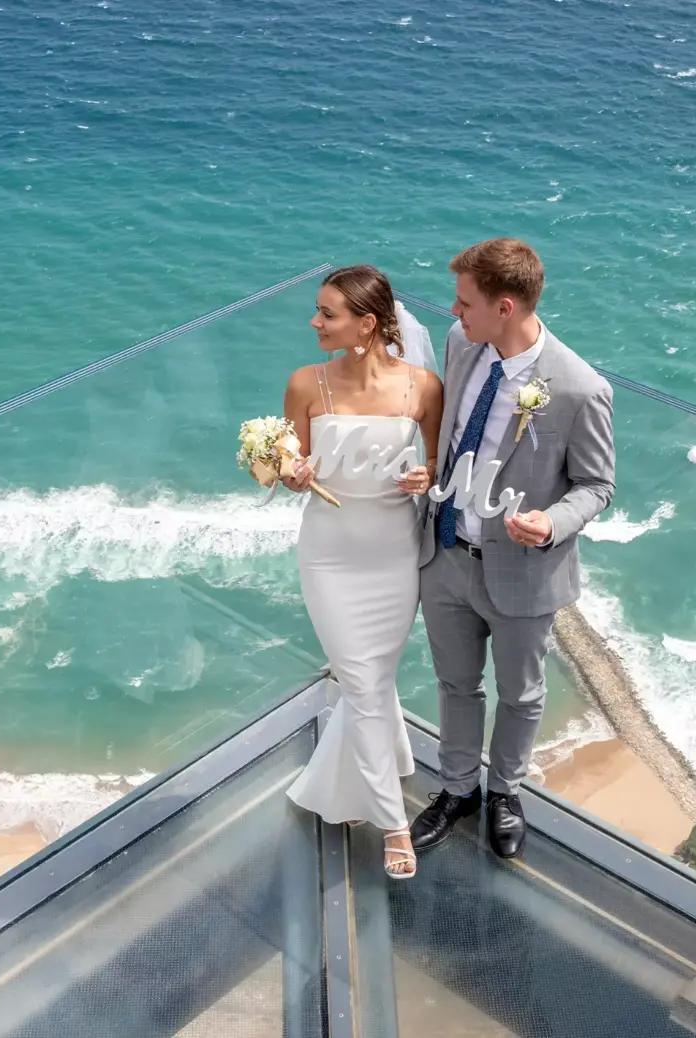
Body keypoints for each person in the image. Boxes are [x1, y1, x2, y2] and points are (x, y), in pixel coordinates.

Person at [400, 238, 615, 859]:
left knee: (520, 695)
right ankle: (458, 788)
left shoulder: (580, 389)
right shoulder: (464, 344)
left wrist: (551, 522)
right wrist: (429, 471)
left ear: (505, 306)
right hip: (445, 554)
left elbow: (597, 485)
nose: (454, 312)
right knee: (454, 684)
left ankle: (506, 792)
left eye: (465, 302)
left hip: (524, 571)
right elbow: (447, 433)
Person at [280, 265, 445, 880]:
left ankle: (340, 788)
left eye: (327, 314)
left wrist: (426, 476)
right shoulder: (305, 384)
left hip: (393, 555)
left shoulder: (425, 388)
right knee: (365, 683)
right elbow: (282, 464)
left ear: (366, 324)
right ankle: (393, 822)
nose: (314, 323)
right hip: (329, 555)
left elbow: (437, 467)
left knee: (369, 682)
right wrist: (289, 472)